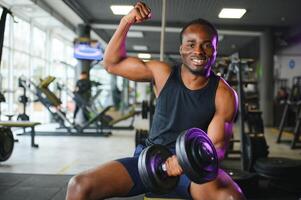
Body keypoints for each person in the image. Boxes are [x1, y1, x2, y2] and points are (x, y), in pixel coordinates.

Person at [66, 2, 245, 200]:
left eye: (206, 46)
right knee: (79, 186)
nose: (198, 52)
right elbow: (111, 63)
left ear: (216, 50)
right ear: (181, 49)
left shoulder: (224, 93)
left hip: (193, 168)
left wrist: (185, 162)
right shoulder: (162, 73)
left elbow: (217, 146)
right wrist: (127, 21)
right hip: (149, 160)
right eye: (191, 44)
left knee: (232, 198)